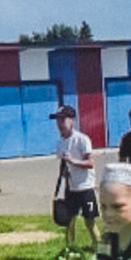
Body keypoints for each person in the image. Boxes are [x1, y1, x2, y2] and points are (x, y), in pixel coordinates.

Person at [52, 105, 100, 250]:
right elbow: (63, 164)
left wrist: (73, 161)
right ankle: (70, 248)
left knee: (89, 221)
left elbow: (90, 163)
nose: (60, 124)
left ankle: (98, 247)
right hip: (71, 188)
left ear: (71, 121)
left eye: (63, 120)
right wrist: (64, 174)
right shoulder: (61, 143)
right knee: (69, 221)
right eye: (58, 121)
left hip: (85, 187)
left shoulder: (82, 139)